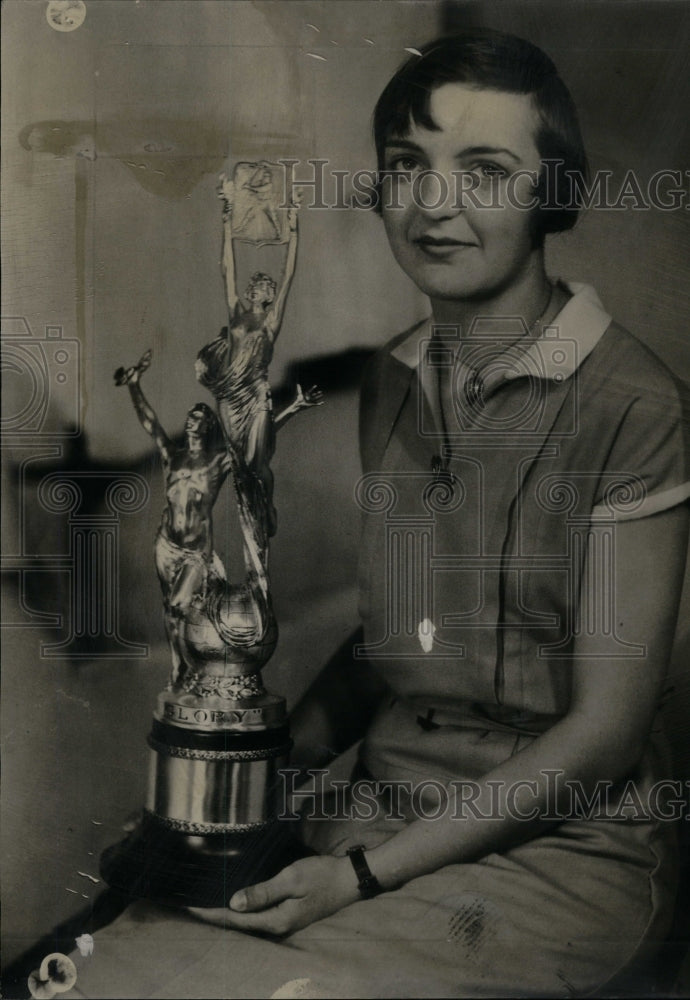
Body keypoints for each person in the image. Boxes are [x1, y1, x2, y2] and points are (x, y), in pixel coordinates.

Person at [76, 30, 689, 999]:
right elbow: (397, 634)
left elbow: (605, 736)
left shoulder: (634, 406)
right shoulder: (394, 381)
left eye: (485, 169)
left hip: (559, 854)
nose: (434, 203)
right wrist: (255, 778)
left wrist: (359, 877)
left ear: (552, 192)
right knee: (100, 968)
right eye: (409, 164)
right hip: (370, 816)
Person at [195, 176, 303, 544]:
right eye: (261, 284)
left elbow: (290, 275)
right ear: (251, 290)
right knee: (238, 464)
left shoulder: (271, 323)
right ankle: (247, 520)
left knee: (258, 463)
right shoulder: (236, 314)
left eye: (268, 287)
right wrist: (226, 218)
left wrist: (293, 227)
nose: (267, 287)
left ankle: (266, 507)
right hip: (229, 396)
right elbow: (227, 268)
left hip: (256, 395)